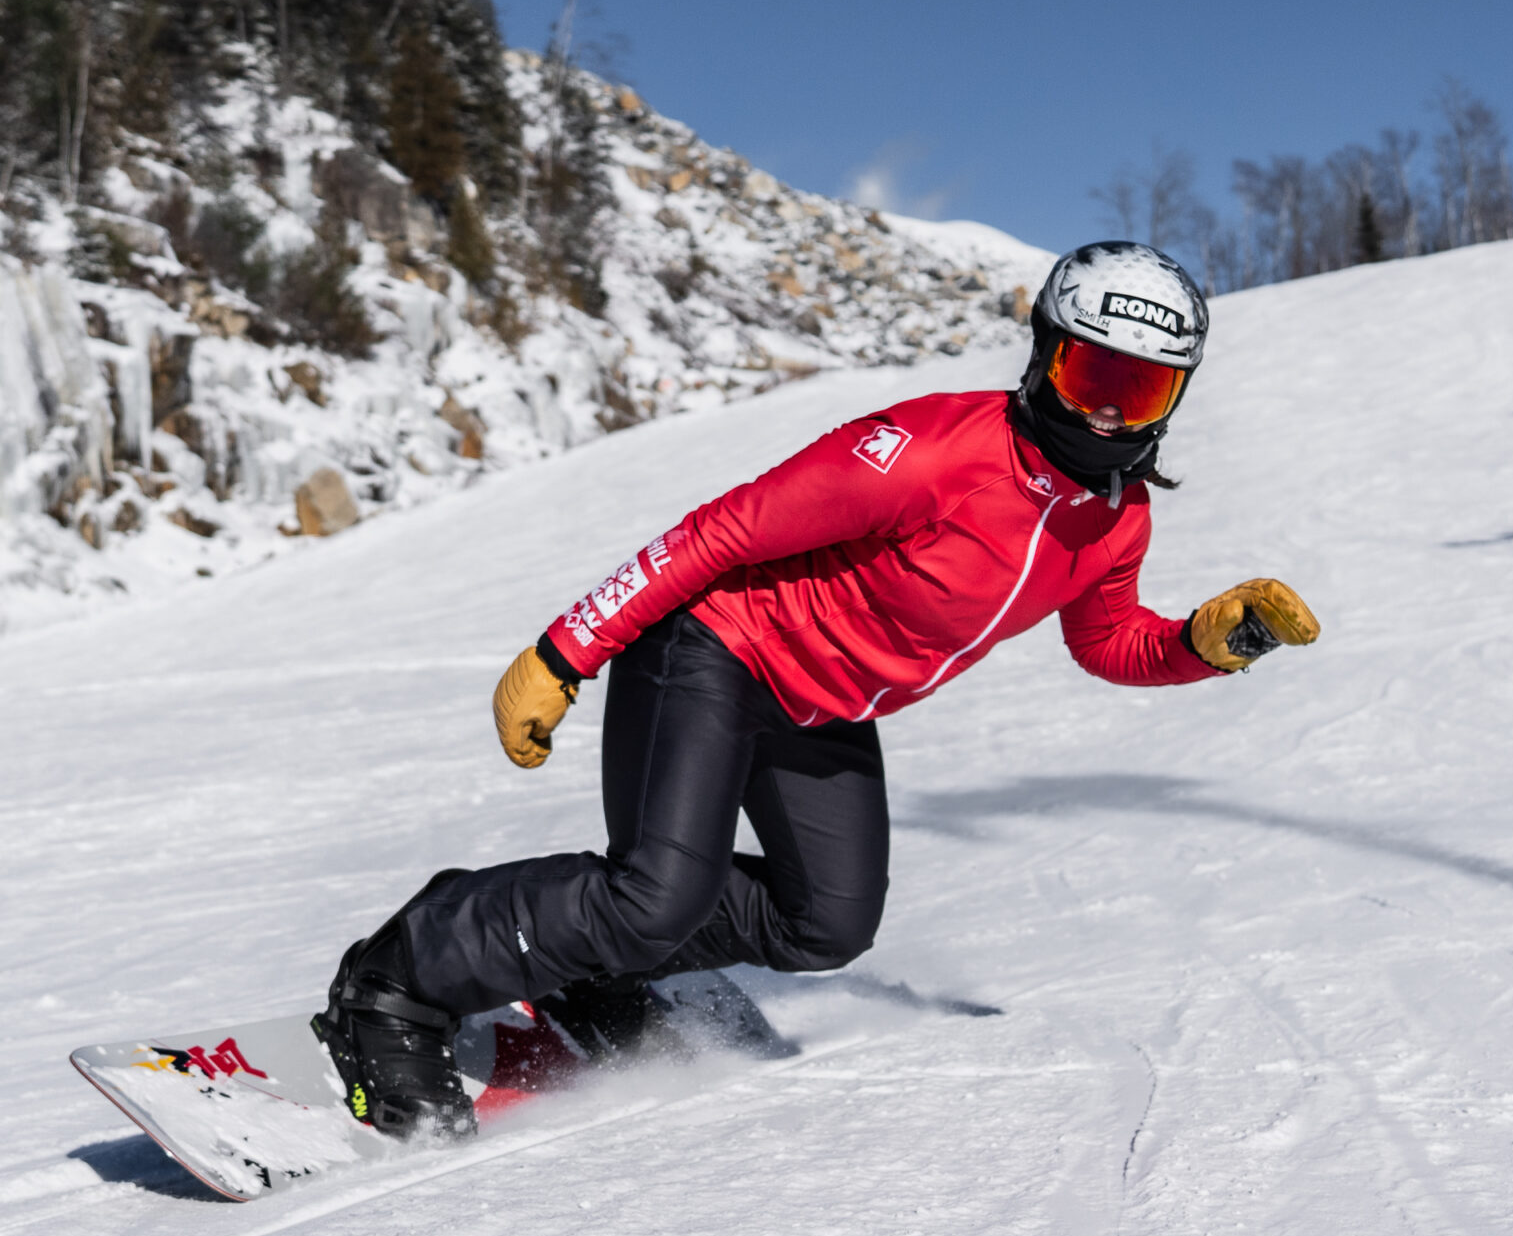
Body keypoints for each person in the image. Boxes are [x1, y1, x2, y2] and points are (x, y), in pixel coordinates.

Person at [313, 243, 1320, 1137]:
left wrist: (1204, 644)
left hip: (824, 707)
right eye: (1091, 374)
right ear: (1044, 354)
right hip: (716, 649)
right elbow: (724, 531)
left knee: (825, 922)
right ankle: (398, 979)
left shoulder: (1115, 518)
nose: (1106, 409)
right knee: (657, 896)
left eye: (1139, 391)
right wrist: (564, 652)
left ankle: (595, 965)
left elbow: (1107, 642)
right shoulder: (928, 453)